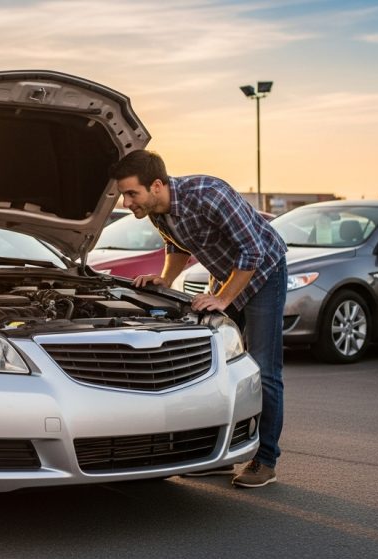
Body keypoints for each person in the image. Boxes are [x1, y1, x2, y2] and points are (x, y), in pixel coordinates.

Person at [109, 150, 287, 488]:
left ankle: (265, 460)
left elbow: (254, 251)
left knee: (264, 370)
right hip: (227, 277)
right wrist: (164, 278)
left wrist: (223, 297)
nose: (125, 201)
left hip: (265, 274)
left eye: (131, 193)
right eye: (123, 194)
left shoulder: (209, 194)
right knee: (216, 366)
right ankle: (218, 456)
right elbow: (177, 248)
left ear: (156, 185)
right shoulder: (157, 211)